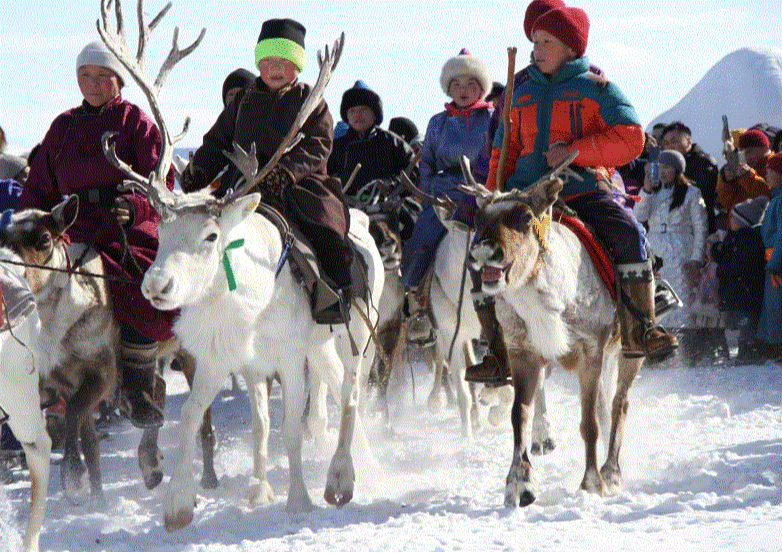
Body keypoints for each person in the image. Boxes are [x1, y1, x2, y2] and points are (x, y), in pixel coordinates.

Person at [467, 4, 677, 385]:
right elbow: (505, 149)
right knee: (480, 248)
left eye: (547, 42)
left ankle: (643, 328)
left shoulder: (596, 88)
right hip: (526, 195)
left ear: (571, 48)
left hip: (579, 189)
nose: (537, 49)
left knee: (628, 234)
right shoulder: (520, 92)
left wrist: (575, 152)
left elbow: (631, 138)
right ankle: (498, 352)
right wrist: (495, 193)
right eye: (534, 42)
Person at [17, 39, 176, 429]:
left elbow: (164, 180)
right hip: (73, 231)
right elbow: (38, 189)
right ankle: (43, 376)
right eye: (84, 76)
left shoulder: (135, 122)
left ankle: (138, 382)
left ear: (118, 79)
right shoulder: (62, 127)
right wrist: (24, 229)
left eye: (100, 76)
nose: (91, 83)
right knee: (32, 285)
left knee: (137, 283)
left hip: (125, 229)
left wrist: (136, 206)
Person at [181, 18, 352, 323]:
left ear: (297, 66)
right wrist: (198, 172)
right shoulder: (243, 102)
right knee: (197, 230)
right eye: (268, 61)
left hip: (299, 186)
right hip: (242, 187)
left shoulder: (310, 100)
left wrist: (287, 172)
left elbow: (318, 145)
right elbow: (218, 141)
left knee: (326, 230)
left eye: (283, 61)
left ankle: (335, 295)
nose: (275, 68)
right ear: (259, 63)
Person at [400, 47, 494, 346]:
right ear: (448, 87)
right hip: (444, 197)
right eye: (456, 84)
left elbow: (499, 156)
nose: (463, 90)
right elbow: (426, 161)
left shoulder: (493, 119)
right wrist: (427, 195)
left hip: (482, 194)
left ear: (481, 88)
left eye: (470, 84)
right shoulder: (437, 122)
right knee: (421, 239)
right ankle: (417, 300)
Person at [633, 150, 708, 363]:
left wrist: (696, 257)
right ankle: (658, 348)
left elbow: (701, 227)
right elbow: (639, 216)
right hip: (656, 247)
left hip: (680, 248)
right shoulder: (652, 192)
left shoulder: (691, 193)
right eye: (660, 167)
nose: (663, 172)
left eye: (668, 167)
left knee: (681, 299)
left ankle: (684, 352)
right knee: (656, 300)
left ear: (677, 169)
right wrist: (646, 188)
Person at [327, 80, 416, 197]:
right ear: (347, 117)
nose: (357, 115)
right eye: (352, 110)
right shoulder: (336, 147)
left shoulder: (392, 142)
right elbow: (323, 178)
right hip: (345, 206)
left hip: (387, 206)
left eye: (363, 109)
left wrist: (392, 187)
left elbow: (414, 174)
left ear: (375, 114)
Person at [711, 195, 769, 363]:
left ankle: (749, 353)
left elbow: (740, 266)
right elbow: (725, 257)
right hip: (735, 291)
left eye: (735, 219)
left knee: (746, 324)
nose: (731, 222)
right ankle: (745, 352)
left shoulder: (751, 240)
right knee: (740, 321)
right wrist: (716, 250)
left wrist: (722, 270)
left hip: (746, 292)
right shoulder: (733, 237)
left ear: (744, 222)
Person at [661, 121, 720, 234]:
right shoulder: (667, 165)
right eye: (666, 143)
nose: (670, 147)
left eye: (674, 141)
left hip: (700, 229)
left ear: (689, 141)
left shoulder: (704, 162)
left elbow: (703, 194)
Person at [757, 152, 782, 358]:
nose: (767, 174)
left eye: (772, 171)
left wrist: (775, 262)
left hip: (777, 262)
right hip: (772, 258)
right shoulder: (776, 198)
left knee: (777, 307)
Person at [716, 128, 772, 215]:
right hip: (737, 225)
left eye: (750, 151)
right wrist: (727, 182)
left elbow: (767, 196)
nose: (749, 156)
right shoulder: (742, 169)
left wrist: (748, 176)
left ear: (764, 148)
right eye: (744, 152)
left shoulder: (775, 166)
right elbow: (727, 202)